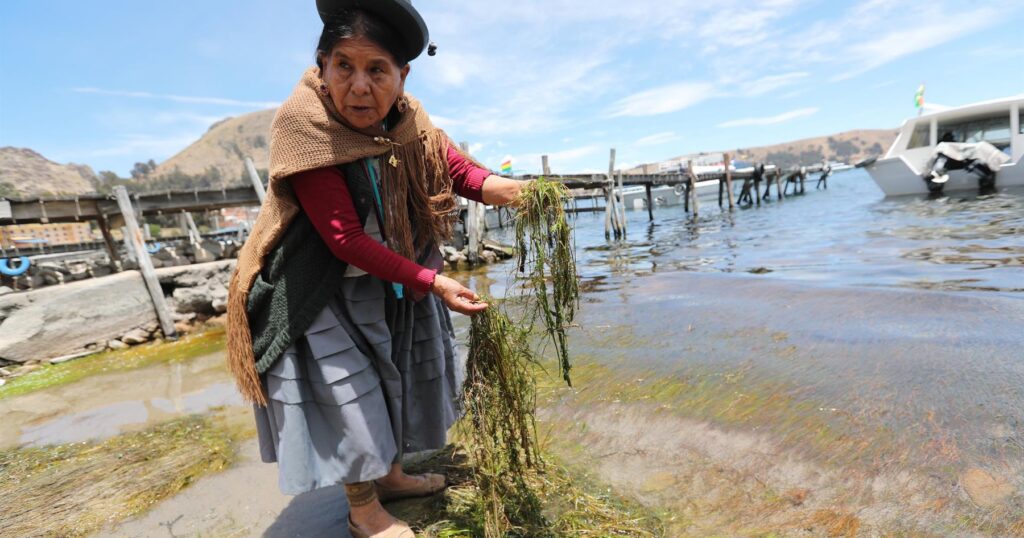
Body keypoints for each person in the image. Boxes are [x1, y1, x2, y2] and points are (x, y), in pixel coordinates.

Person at [224, 1, 525, 536]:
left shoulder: (410, 118)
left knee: (394, 381)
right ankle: (364, 513)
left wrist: (497, 188)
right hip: (317, 287)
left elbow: (447, 163)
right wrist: (433, 281)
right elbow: (344, 238)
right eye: (344, 67)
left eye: (376, 70)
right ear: (322, 65)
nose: (360, 86)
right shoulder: (304, 122)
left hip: (389, 278)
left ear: (401, 75)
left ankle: (390, 476)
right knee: (349, 396)